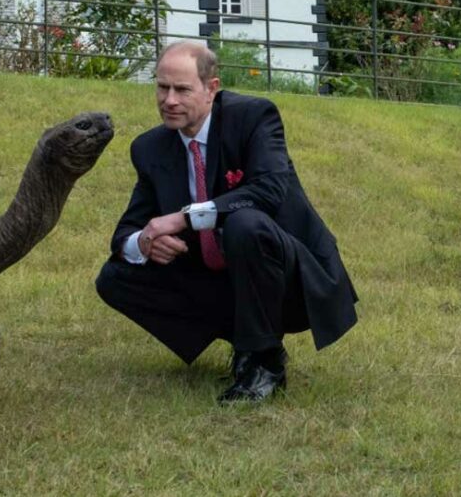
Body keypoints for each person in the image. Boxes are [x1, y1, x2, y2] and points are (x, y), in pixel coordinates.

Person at [95, 41, 357, 403]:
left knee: (244, 224)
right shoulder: (150, 148)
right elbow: (127, 232)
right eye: (162, 87)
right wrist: (144, 242)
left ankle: (264, 361)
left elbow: (268, 191)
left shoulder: (253, 117)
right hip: (223, 278)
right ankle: (247, 342)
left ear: (211, 88)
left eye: (182, 89)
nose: (169, 100)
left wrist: (184, 217)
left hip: (292, 277)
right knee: (114, 277)